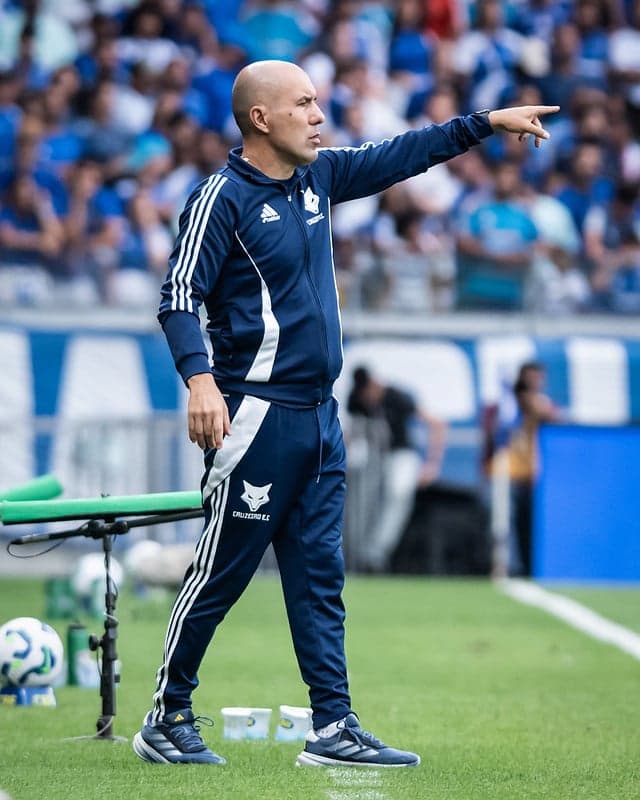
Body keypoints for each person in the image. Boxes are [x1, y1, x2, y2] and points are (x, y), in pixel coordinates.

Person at [132, 58, 557, 768]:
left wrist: (482, 125)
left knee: (320, 577)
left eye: (318, 102)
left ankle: (332, 727)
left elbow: (399, 157)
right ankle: (167, 716)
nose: (318, 116)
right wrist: (199, 381)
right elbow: (178, 296)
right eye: (303, 104)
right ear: (261, 118)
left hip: (320, 418)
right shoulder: (221, 198)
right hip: (256, 417)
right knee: (223, 572)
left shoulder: (317, 178)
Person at [347, 366, 447, 572]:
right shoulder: (356, 400)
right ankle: (354, 551)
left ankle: (375, 553)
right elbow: (351, 433)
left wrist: (432, 463)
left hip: (401, 455)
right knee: (360, 501)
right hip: (372, 459)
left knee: (398, 493)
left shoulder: (396, 397)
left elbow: (437, 424)